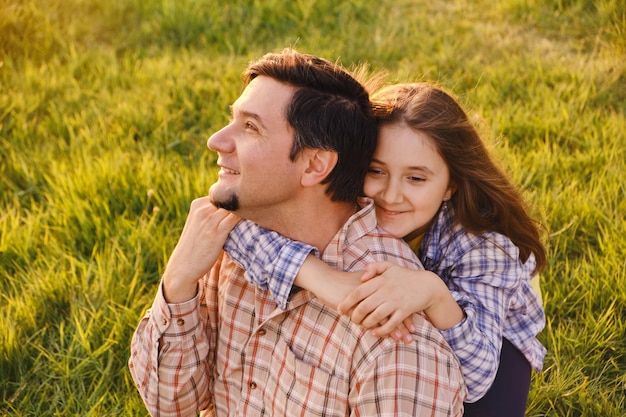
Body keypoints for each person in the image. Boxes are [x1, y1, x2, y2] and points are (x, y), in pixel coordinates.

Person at [128, 50, 466, 417]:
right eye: (232, 119)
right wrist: (179, 281)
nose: (216, 140)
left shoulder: (392, 335)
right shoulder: (228, 239)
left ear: (314, 165)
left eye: (251, 127)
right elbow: (169, 405)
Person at [223, 82, 547, 417]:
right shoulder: (347, 192)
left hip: (487, 330)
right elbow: (234, 221)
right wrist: (319, 276)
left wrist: (433, 294)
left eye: (416, 179)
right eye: (376, 171)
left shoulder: (483, 246)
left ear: (450, 186)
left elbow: (479, 376)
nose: (391, 195)